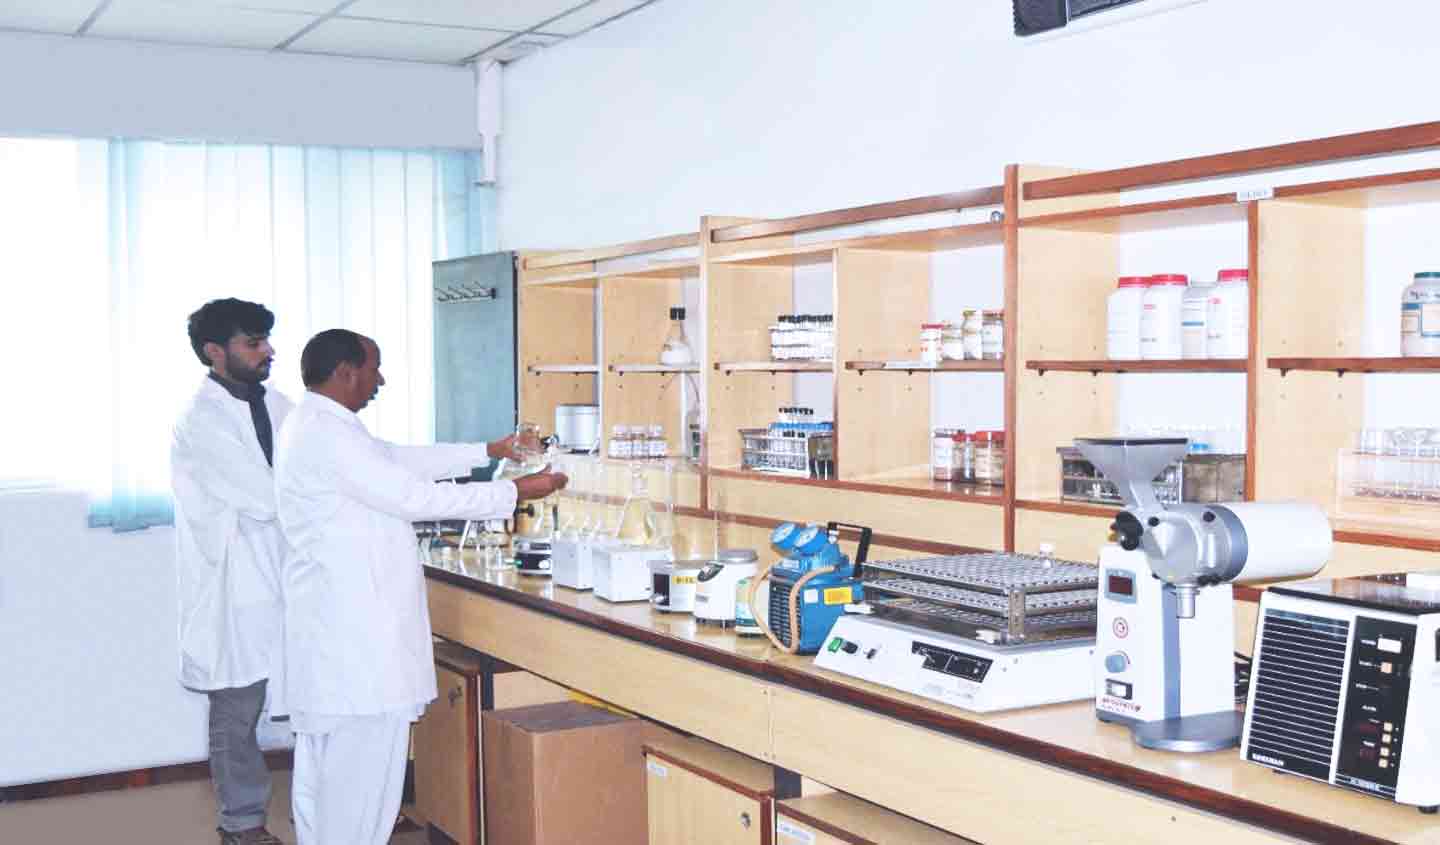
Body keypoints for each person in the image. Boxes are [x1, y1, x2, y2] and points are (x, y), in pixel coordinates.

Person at [273, 328, 567, 845]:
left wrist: (488, 449)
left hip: (335, 643)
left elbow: (396, 459)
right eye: (373, 368)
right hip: (356, 652)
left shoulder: (318, 425)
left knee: (325, 783)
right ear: (346, 372)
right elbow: (413, 497)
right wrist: (513, 490)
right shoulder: (329, 434)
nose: (379, 379)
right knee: (359, 791)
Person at [171, 298, 292, 845]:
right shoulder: (202, 421)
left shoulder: (279, 404)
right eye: (253, 342)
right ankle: (242, 826)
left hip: (288, 577)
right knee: (237, 715)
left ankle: (331, 807)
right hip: (235, 586)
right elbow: (268, 497)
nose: (268, 351)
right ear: (215, 352)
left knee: (313, 698)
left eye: (266, 339)